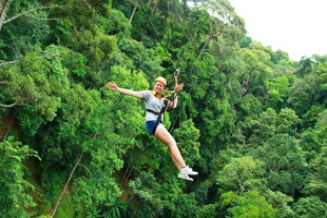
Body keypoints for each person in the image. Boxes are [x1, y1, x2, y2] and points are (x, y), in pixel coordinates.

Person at [106, 76, 198, 181]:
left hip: (158, 124)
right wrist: (118, 89)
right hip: (152, 123)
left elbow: (173, 105)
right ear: (154, 85)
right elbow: (133, 93)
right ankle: (184, 168)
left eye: (161, 86)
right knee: (172, 142)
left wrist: (176, 93)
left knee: (170, 144)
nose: (159, 86)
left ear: (163, 88)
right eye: (157, 84)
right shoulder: (148, 94)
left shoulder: (162, 99)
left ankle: (181, 170)